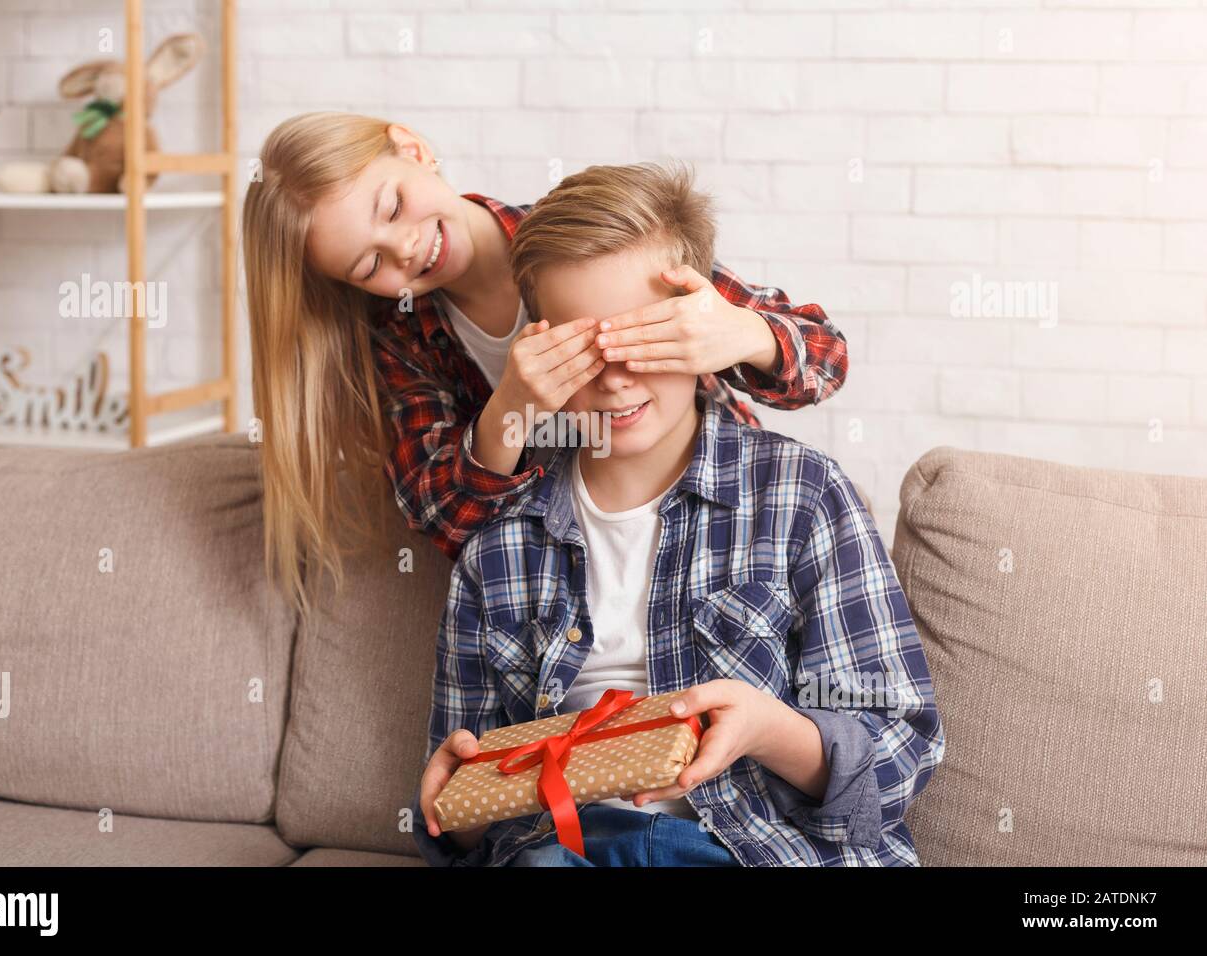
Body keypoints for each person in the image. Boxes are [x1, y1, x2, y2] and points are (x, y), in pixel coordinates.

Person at [412, 163, 944, 867]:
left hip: (753, 848)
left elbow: (899, 752)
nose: (616, 375)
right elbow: (467, 818)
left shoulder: (800, 497)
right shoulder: (500, 550)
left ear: (703, 329)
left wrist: (766, 729)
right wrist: (455, 804)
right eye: (582, 347)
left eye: (646, 339)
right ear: (538, 350)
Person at [241, 113, 849, 614]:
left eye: (393, 206)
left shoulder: (585, 239)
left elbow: (825, 360)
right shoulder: (401, 339)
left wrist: (740, 332)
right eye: (370, 266)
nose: (403, 248)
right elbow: (449, 523)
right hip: (577, 580)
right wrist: (511, 411)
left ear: (413, 148)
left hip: (719, 525)